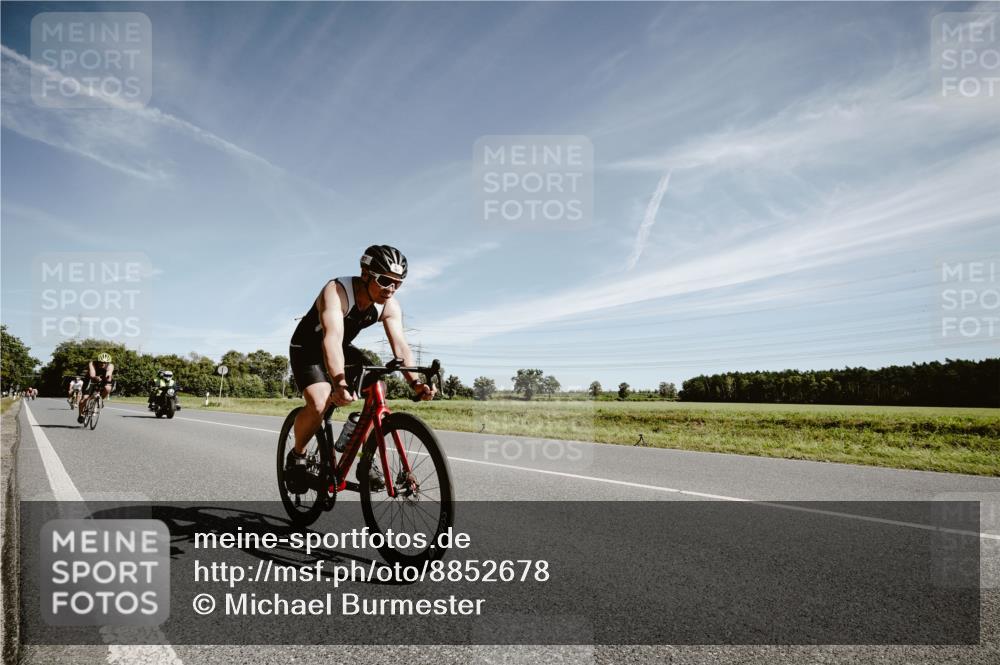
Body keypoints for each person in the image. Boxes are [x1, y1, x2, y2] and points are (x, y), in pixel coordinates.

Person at [286, 245, 436, 479]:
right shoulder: (336, 291)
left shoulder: (389, 305)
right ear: (365, 274)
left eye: (398, 283)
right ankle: (298, 454)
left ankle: (364, 456)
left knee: (378, 387)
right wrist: (340, 383)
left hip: (340, 349)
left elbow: (400, 345)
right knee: (319, 403)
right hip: (308, 349)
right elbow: (332, 338)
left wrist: (416, 383)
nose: (391, 289)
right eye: (385, 280)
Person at [78, 352, 115, 423]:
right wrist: (95, 377)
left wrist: (108, 378)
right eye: (101, 362)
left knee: (108, 388)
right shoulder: (92, 363)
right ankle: (80, 415)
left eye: (105, 363)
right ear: (98, 361)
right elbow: (92, 374)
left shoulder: (110, 365)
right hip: (90, 379)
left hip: (103, 378)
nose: (103, 364)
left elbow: (109, 374)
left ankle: (100, 399)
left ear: (108, 363)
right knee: (84, 398)